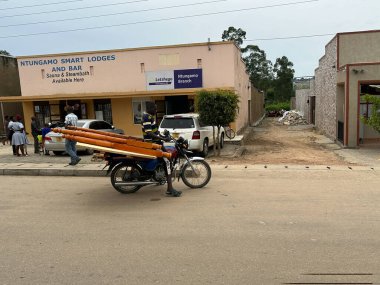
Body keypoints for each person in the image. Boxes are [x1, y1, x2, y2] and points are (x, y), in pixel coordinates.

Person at [141, 102, 182, 197]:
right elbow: (149, 133)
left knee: (167, 155)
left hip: (156, 143)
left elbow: (155, 131)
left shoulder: (149, 116)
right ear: (150, 108)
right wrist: (163, 139)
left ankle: (162, 179)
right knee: (167, 161)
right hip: (153, 144)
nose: (156, 111)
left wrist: (163, 135)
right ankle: (170, 189)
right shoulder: (147, 117)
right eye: (154, 109)